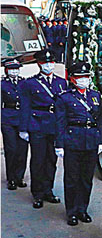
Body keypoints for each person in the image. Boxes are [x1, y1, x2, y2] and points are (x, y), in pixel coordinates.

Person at [54, 61, 102, 226]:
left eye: (86, 77)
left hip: (90, 140)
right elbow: (60, 122)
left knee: (86, 178)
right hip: (73, 140)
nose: (84, 80)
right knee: (72, 178)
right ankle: (72, 211)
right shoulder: (65, 98)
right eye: (80, 77)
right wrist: (59, 144)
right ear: (73, 79)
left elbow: (101, 119)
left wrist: (101, 140)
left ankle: (83, 209)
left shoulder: (95, 96)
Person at [19, 49, 68, 209]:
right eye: (45, 62)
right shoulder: (29, 83)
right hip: (37, 125)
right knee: (38, 160)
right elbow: (25, 107)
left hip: (54, 125)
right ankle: (37, 193)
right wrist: (24, 128)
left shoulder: (62, 82)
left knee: (51, 160)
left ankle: (48, 190)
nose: (49, 65)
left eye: (51, 62)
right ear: (39, 64)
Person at [2, 59, 28, 190]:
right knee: (11, 148)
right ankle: (11, 178)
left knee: (22, 148)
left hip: (22, 118)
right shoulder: (2, 84)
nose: (14, 71)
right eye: (12, 69)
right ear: (6, 70)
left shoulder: (25, 82)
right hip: (7, 118)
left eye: (16, 68)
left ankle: (19, 177)